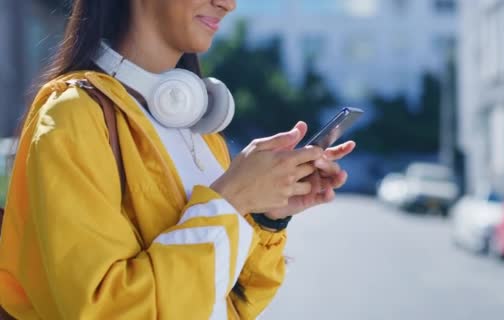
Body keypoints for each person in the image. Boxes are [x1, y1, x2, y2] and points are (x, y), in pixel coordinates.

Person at [0, 0, 355, 319]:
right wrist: (232, 199)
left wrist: (267, 217)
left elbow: (229, 305)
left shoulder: (202, 134)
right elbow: (106, 311)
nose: (228, 4)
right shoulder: (74, 116)